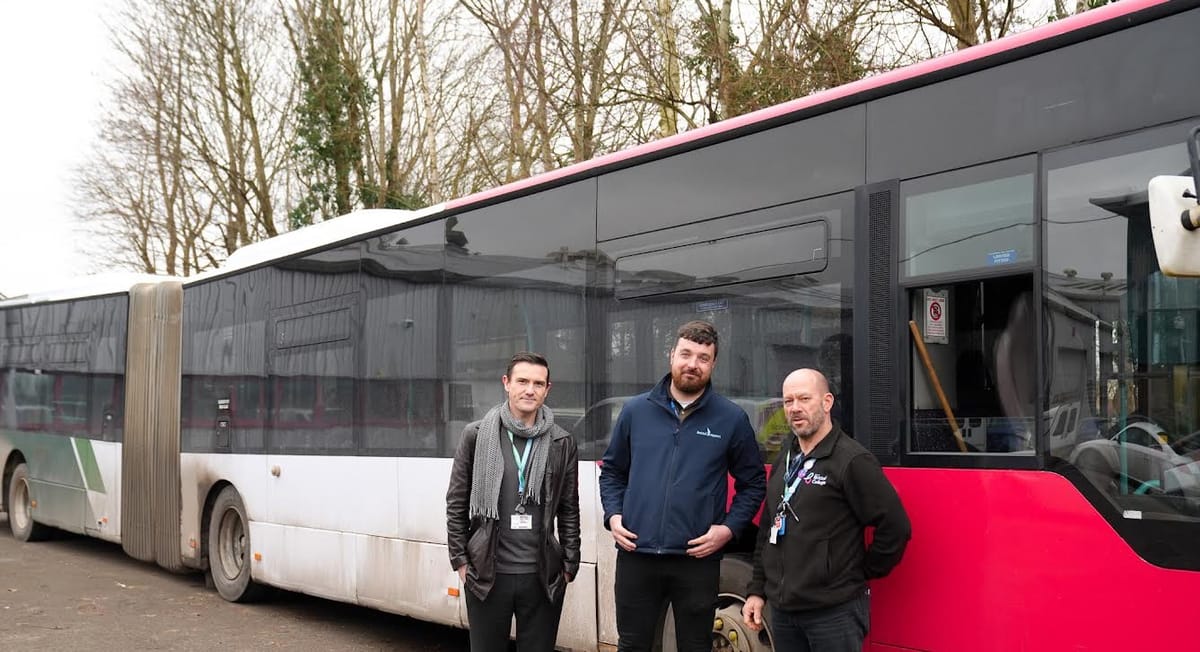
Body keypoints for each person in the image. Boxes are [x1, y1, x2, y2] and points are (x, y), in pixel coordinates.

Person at [599, 320, 766, 652]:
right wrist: (613, 517)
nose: (693, 364)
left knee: (695, 645)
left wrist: (729, 529)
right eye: (686, 354)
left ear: (713, 364)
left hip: (697, 561)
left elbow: (753, 483)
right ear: (671, 355)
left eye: (703, 357)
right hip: (637, 556)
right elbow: (612, 473)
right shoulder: (635, 411)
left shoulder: (730, 419)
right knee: (632, 645)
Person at [742, 368, 911, 652]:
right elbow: (769, 528)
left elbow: (895, 527)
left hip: (833, 614)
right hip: (784, 613)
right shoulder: (786, 457)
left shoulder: (852, 460)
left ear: (827, 402)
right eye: (788, 401)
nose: (795, 408)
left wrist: (859, 572)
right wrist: (757, 590)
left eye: (804, 399)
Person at [446, 352, 580, 652]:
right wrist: (461, 560)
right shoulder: (476, 435)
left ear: (547, 389)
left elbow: (569, 508)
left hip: (542, 578)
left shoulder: (562, 442)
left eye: (538, 383)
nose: (529, 389)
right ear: (507, 383)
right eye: (522, 381)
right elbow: (456, 502)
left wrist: (570, 564)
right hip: (488, 576)